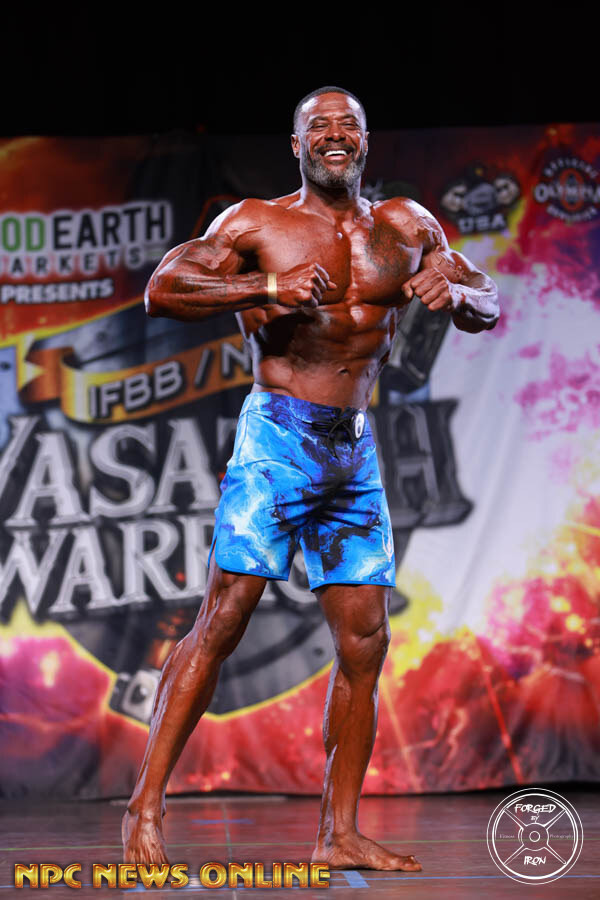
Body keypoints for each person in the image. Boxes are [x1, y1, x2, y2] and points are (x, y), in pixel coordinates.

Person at [122, 86, 499, 871]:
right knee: (223, 620)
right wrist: (265, 288)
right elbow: (162, 290)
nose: (334, 136)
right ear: (296, 146)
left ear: (364, 141)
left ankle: (338, 832)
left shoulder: (409, 224)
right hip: (277, 441)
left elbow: (485, 300)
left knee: (366, 641)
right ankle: (143, 808)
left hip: (352, 455)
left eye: (347, 125)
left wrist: (459, 292)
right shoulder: (256, 223)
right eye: (318, 126)